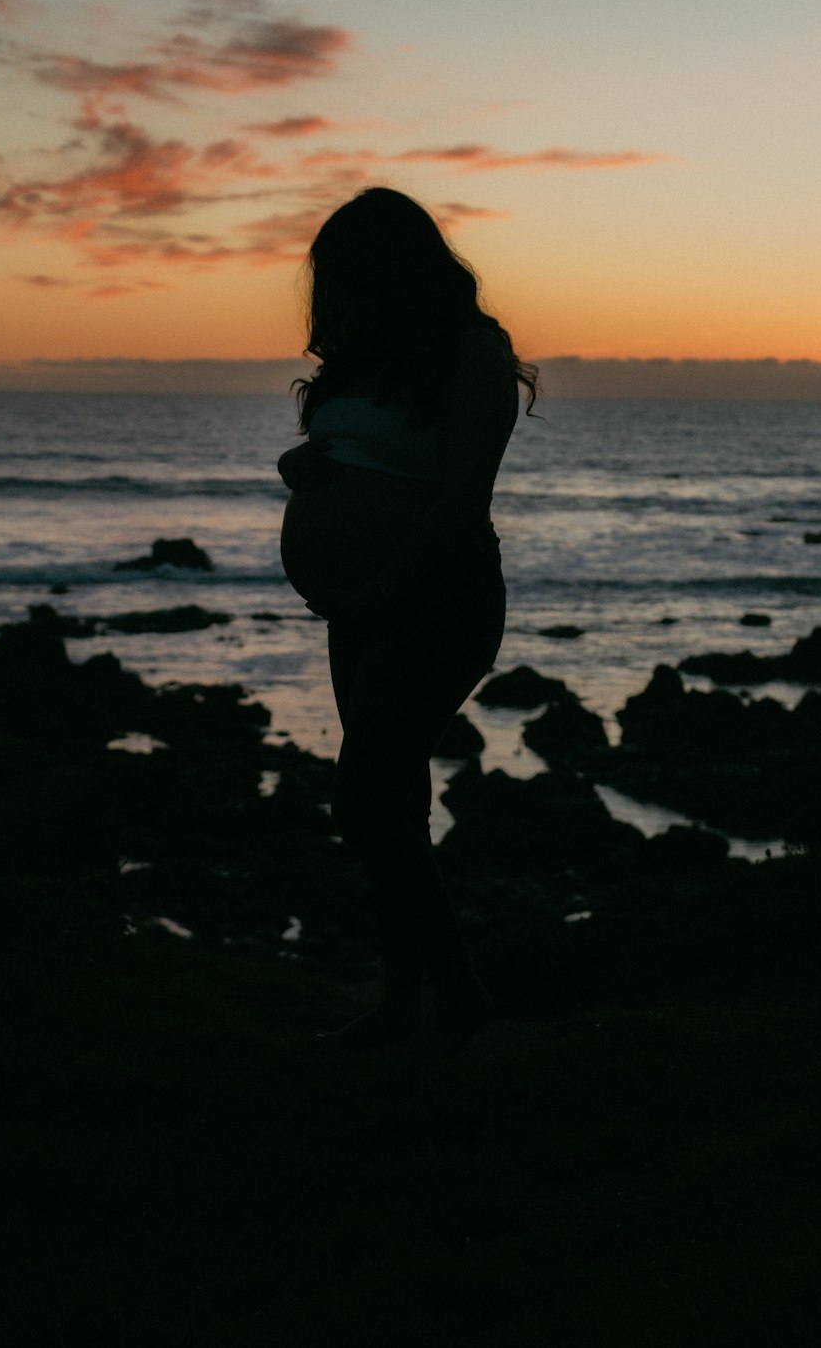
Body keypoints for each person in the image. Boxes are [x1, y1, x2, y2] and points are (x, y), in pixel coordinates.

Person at [278, 187, 537, 1048]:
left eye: (351, 275)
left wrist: (379, 588)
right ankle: (418, 996)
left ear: (395, 268)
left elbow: (462, 500)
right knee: (391, 797)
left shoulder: (473, 352)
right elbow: (364, 461)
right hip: (360, 607)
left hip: (438, 597)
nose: (336, 296)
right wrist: (314, 474)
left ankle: (444, 995)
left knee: (369, 793)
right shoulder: (359, 360)